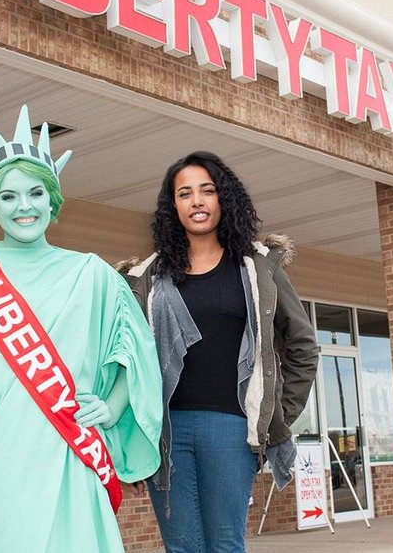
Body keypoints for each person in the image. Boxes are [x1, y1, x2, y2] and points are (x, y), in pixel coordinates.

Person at [0, 105, 162, 552]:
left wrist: (111, 407)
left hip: (67, 451)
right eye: (8, 196)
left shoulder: (94, 274)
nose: (24, 206)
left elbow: (135, 350)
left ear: (53, 200)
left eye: (36, 193)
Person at [120, 151, 319, 553]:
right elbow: (127, 360)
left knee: (225, 544)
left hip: (230, 428)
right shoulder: (148, 277)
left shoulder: (258, 269)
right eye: (185, 193)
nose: (196, 201)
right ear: (173, 206)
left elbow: (303, 345)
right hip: (166, 430)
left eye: (207, 190)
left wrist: (275, 415)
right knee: (181, 546)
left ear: (223, 198)